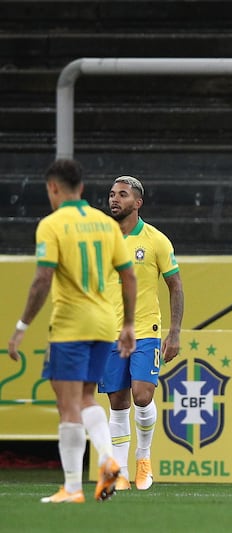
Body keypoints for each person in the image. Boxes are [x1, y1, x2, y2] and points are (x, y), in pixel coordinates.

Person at [7, 159, 137, 503]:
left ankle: (73, 487)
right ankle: (109, 462)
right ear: (81, 188)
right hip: (105, 323)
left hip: (70, 324)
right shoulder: (105, 225)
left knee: (67, 406)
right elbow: (129, 276)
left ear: (53, 188)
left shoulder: (52, 225)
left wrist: (21, 327)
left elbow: (42, 278)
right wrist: (127, 324)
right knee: (86, 398)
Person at [98, 175, 184, 491]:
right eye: (111, 194)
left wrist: (174, 332)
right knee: (118, 402)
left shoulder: (155, 240)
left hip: (146, 330)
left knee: (142, 394)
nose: (114, 199)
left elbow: (175, 285)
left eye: (122, 194)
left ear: (138, 203)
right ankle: (118, 472)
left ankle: (143, 458)